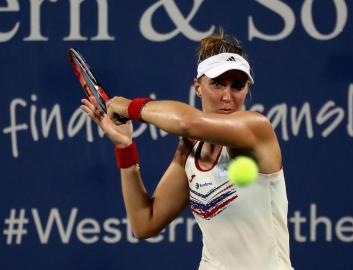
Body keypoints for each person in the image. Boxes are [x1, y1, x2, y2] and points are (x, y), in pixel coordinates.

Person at [81, 32, 294, 270]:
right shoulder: (191, 151)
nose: (227, 96)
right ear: (197, 87)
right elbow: (144, 222)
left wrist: (124, 105)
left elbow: (187, 123)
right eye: (217, 83)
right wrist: (125, 147)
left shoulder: (256, 128)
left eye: (237, 85)